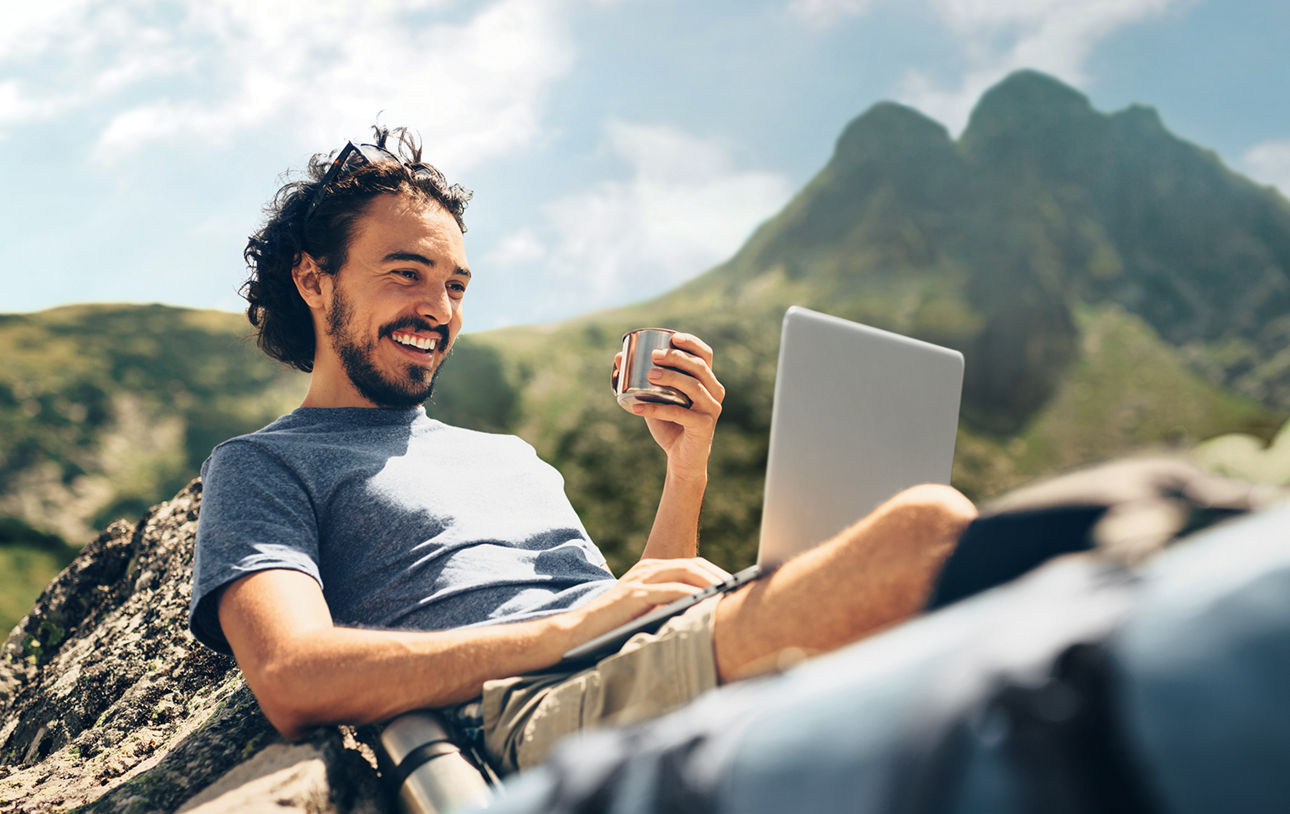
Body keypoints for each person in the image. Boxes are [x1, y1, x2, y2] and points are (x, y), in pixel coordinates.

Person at [189, 127, 977, 774]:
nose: (438, 310)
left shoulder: (512, 459)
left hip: (625, 668)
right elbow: (293, 677)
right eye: (407, 275)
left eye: (457, 286)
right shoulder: (264, 464)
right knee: (930, 535)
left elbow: (631, 599)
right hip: (534, 711)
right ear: (313, 279)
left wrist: (685, 467)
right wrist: (570, 634)